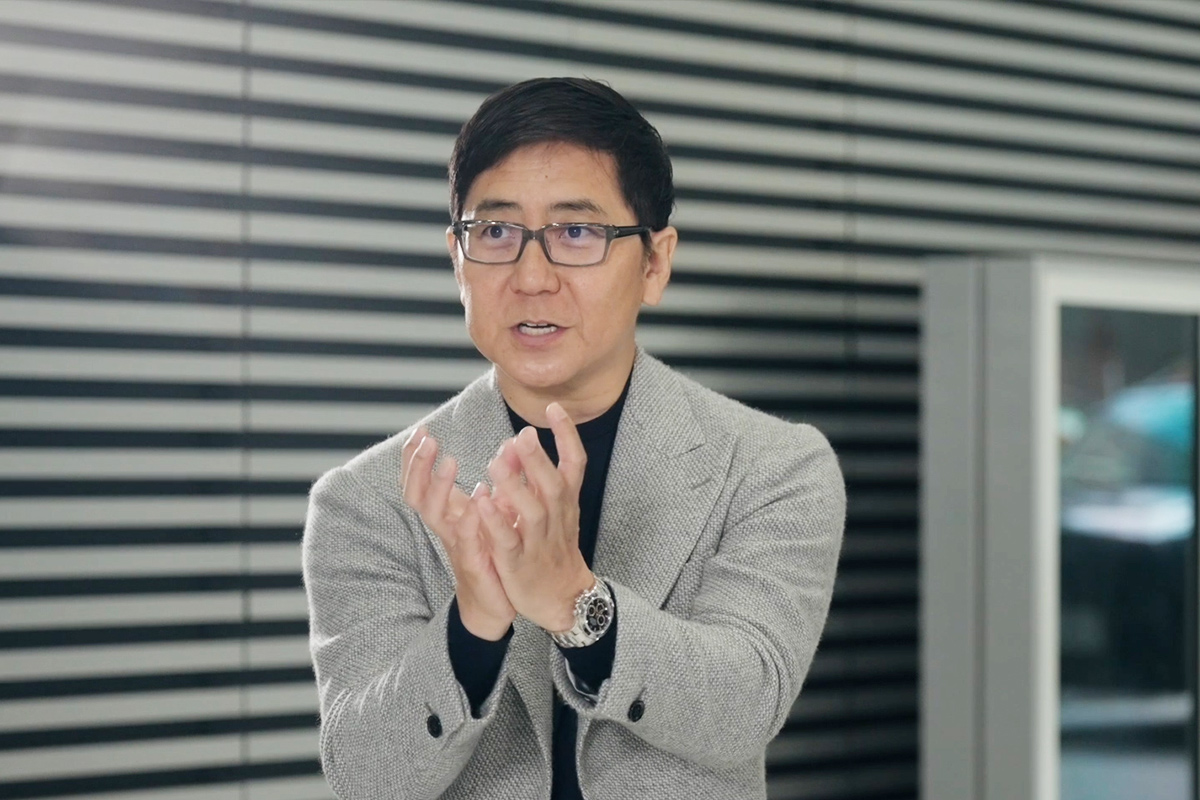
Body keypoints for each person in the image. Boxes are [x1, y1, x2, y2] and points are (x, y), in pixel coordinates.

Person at [302, 77, 846, 800]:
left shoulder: (773, 466)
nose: (532, 277)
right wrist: (474, 623)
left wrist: (576, 603)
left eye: (577, 233)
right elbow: (365, 776)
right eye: (496, 233)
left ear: (655, 263)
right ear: (457, 257)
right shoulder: (367, 499)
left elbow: (746, 706)